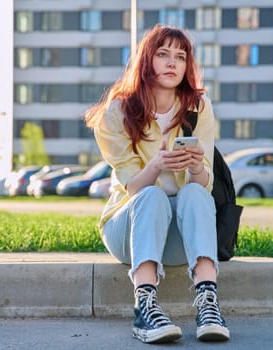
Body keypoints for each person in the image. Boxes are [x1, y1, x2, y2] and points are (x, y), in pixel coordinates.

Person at [85, 24, 229, 344]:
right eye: (163, 54)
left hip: (179, 236)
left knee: (193, 192)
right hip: (129, 230)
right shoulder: (119, 111)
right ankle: (145, 306)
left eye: (180, 56)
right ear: (146, 59)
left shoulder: (198, 107)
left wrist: (195, 168)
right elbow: (132, 189)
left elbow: (204, 187)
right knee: (151, 195)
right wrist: (155, 166)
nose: (172, 63)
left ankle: (208, 303)